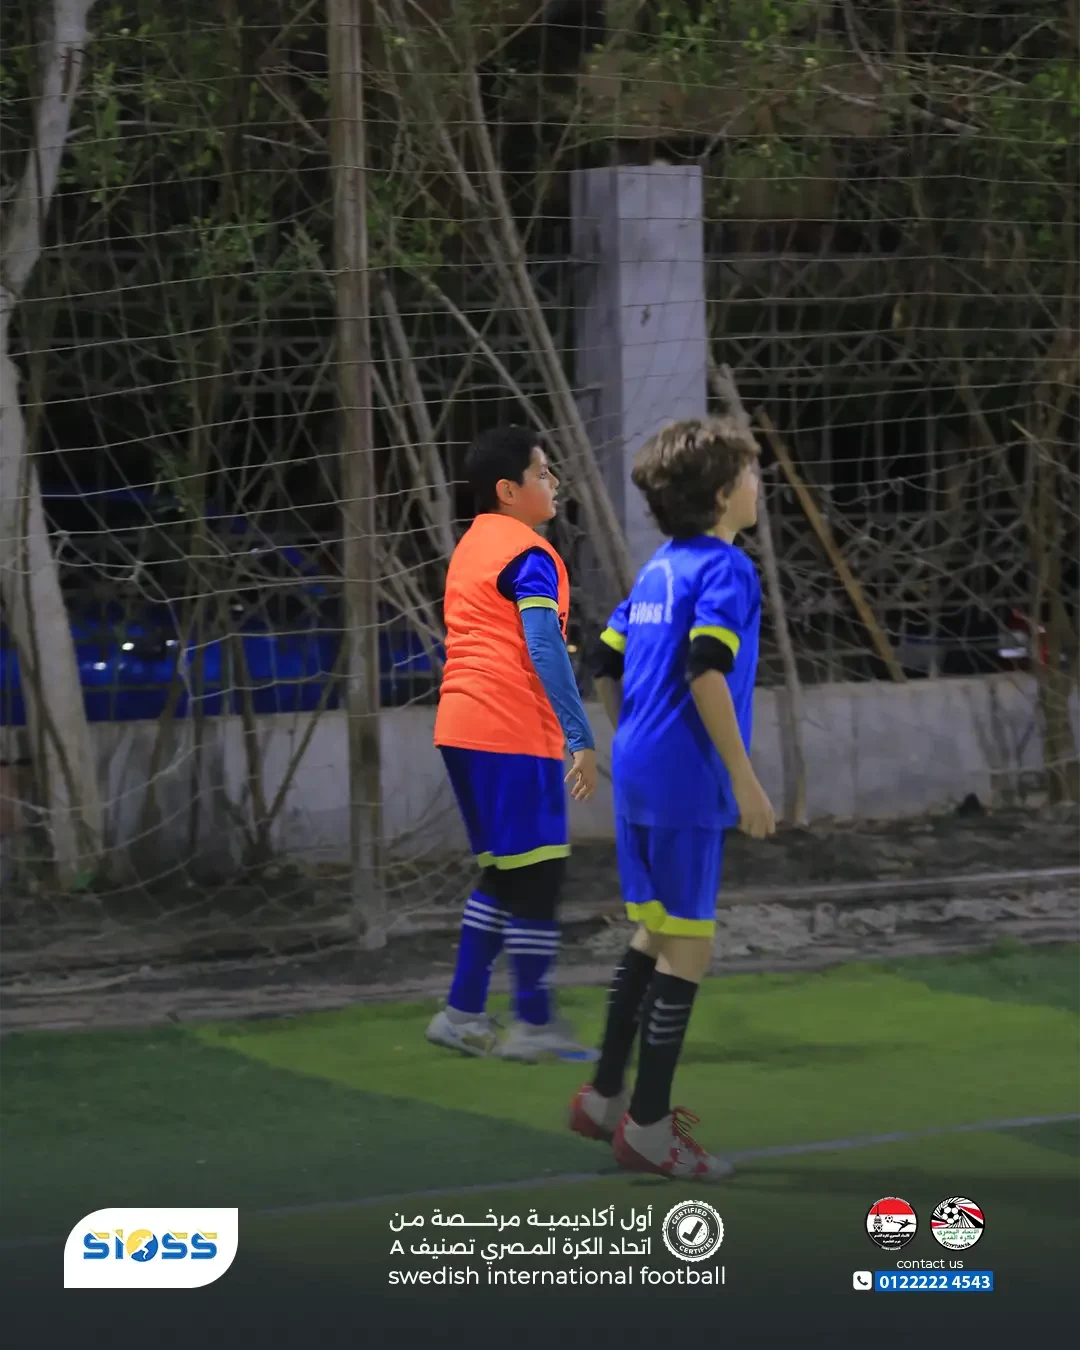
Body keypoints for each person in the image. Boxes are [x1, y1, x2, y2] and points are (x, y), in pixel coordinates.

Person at [567, 416, 776, 1177]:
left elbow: (603, 659)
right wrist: (745, 778)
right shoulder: (728, 569)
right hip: (687, 777)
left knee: (654, 930)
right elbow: (706, 668)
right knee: (690, 942)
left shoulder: (659, 568)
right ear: (722, 495)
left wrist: (633, 736)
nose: (758, 485)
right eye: (750, 474)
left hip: (639, 767)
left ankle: (602, 1098)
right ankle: (650, 1129)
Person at [426, 426, 599, 1063]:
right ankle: (534, 1024)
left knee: (505, 873)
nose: (553, 482)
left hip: (460, 726)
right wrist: (580, 734)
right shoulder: (528, 554)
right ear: (508, 489)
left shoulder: (472, 546)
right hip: (509, 727)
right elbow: (544, 643)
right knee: (538, 874)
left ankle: (462, 1013)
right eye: (542, 472)